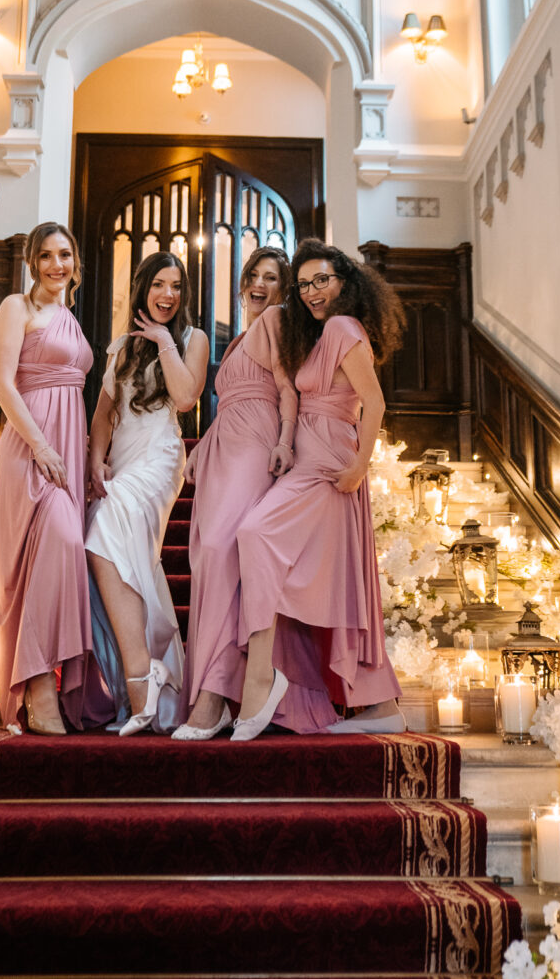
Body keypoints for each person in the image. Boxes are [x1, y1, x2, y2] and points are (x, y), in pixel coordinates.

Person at [232, 237, 407, 742]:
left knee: (255, 534)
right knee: (334, 576)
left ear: (345, 282)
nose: (311, 291)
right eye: (304, 284)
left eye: (321, 280)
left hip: (329, 459)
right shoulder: (322, 332)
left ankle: (262, 679)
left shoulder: (342, 326)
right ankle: (379, 703)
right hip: (312, 455)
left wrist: (357, 467)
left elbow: (373, 403)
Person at [0, 222, 110, 735]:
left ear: (75, 262)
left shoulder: (70, 319)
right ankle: (37, 687)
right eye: (48, 255)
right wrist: (41, 446)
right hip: (30, 448)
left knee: (58, 558)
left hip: (68, 451)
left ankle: (53, 682)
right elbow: (1, 384)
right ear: (33, 261)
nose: (58, 264)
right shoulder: (18, 308)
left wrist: (87, 455)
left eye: (66, 255)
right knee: (49, 544)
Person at [174, 247, 301, 741]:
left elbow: (287, 389)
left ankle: (214, 695)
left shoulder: (273, 322)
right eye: (254, 275)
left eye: (272, 277)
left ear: (282, 289)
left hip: (254, 443)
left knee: (223, 553)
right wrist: (201, 446)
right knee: (206, 556)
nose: (260, 283)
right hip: (223, 445)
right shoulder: (240, 337)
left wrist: (285, 441)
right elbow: (225, 401)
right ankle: (217, 694)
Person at [86, 252, 209, 735]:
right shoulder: (120, 347)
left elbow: (185, 397)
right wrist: (96, 459)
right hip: (124, 454)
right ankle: (146, 680)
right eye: (159, 284)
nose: (168, 295)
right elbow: (102, 414)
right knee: (119, 548)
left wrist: (163, 343)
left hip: (160, 457)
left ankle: (141, 672)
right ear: (143, 289)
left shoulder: (191, 339)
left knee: (106, 523)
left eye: (176, 286)